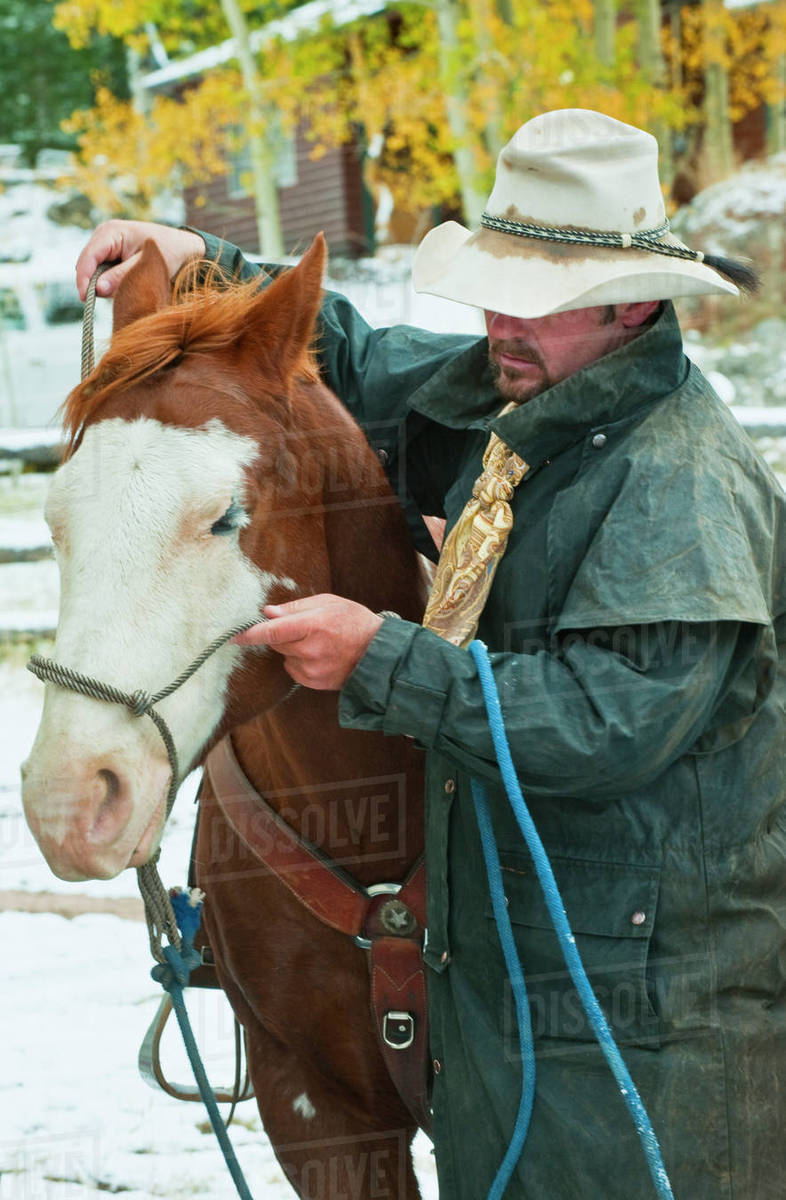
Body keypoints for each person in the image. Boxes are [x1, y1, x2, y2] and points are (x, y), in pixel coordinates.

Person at [77, 110, 786, 1198]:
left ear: (633, 304)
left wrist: (379, 658)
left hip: (653, 1014)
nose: (504, 320)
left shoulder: (679, 478)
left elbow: (613, 719)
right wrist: (197, 259)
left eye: (539, 302)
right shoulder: (533, 391)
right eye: (500, 286)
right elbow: (352, 362)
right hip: (551, 969)